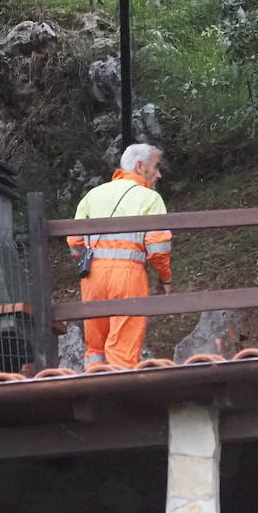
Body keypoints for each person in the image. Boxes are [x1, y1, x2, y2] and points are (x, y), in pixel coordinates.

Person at [66, 143, 173, 368]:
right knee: (122, 347)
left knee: (95, 347)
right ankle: (118, 395)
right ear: (140, 166)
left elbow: (74, 241)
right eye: (156, 167)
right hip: (128, 277)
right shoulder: (150, 198)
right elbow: (157, 249)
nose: (159, 174)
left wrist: (90, 260)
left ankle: (95, 389)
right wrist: (165, 278)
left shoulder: (93, 195)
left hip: (92, 278)